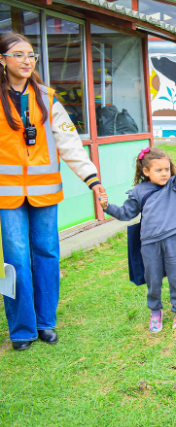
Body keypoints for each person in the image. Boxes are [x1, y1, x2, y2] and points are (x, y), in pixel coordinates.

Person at [0, 32, 107, 351]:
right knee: (14, 261)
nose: (26, 61)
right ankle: (20, 330)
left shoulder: (47, 97)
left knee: (47, 255)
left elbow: (70, 142)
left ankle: (46, 323)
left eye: (31, 55)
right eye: (18, 55)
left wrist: (92, 178)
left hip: (45, 194)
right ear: (2, 60)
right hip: (7, 196)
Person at [102, 144, 176, 332]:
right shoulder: (139, 191)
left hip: (174, 238)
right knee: (153, 279)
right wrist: (107, 207)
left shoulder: (174, 186)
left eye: (166, 169)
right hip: (149, 243)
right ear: (146, 171)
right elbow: (126, 213)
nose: (164, 173)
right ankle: (155, 310)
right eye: (159, 170)